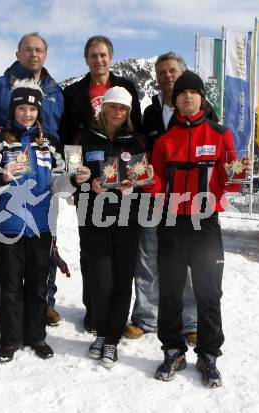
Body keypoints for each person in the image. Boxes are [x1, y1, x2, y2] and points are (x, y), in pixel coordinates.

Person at [149, 71, 251, 388]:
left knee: (209, 292)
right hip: (173, 223)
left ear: (201, 99)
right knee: (170, 290)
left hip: (206, 223)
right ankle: (173, 349)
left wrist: (240, 174)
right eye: (182, 94)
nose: (188, 97)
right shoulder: (165, 141)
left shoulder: (221, 135)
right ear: (175, 101)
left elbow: (231, 182)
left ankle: (208, 355)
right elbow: (156, 182)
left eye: (194, 93)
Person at [0, 79, 90, 362]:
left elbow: (58, 184)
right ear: (13, 109)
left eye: (32, 108)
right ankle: (9, 339)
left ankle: (36, 336)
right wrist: (0, 176)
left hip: (41, 227)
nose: (27, 114)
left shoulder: (49, 143)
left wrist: (74, 179)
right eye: (22, 108)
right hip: (8, 227)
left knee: (38, 285)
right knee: (10, 286)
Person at [125, 52, 217, 345]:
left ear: (182, 73)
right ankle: (145, 316)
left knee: (188, 262)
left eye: (172, 70)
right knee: (148, 256)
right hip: (153, 197)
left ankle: (190, 321)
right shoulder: (150, 111)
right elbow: (140, 146)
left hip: (189, 202)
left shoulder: (206, 110)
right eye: (162, 72)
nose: (167, 76)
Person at [0, 32, 64, 329]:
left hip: (43, 176)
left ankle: (44, 304)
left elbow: (61, 131)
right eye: (28, 49)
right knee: (2, 246)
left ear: (46, 54)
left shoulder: (55, 91)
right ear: (17, 53)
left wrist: (64, 171)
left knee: (45, 246)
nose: (34, 54)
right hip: (9, 179)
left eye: (39, 49)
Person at [59, 35, 141, 332]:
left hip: (123, 193)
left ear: (111, 57)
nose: (99, 60)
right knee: (90, 253)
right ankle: (93, 308)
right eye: (93, 55)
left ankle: (114, 313)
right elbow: (69, 138)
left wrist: (137, 174)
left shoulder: (127, 87)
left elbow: (137, 135)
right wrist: (74, 178)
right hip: (88, 180)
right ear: (86, 59)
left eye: (104, 54)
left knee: (119, 258)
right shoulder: (73, 93)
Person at [73, 86, 152, 368]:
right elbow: (72, 176)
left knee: (122, 279)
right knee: (100, 280)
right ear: (102, 108)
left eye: (122, 108)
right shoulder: (83, 138)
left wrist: (133, 186)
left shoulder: (138, 143)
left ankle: (111, 339)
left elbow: (145, 182)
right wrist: (87, 184)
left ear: (129, 113)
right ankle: (103, 331)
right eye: (112, 106)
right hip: (94, 218)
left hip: (128, 218)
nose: (117, 112)